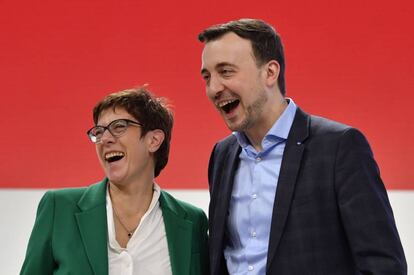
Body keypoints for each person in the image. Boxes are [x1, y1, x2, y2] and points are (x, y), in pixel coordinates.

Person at [198, 18, 407, 275]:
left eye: (226, 71)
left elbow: (384, 265)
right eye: (207, 76)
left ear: (270, 72)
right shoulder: (223, 155)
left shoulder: (340, 147)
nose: (214, 88)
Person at [20, 87, 209, 275]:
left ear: (154, 140)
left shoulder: (192, 221)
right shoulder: (59, 208)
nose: (105, 139)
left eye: (119, 127)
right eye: (99, 131)